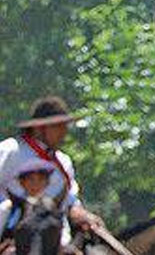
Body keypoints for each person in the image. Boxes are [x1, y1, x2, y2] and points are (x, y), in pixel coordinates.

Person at [0, 97, 102, 252]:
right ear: (39, 129)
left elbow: (70, 197)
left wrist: (77, 210)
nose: (65, 131)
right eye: (59, 126)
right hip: (13, 230)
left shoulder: (63, 161)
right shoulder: (11, 151)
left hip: (57, 235)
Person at [0, 158, 61, 255]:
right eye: (31, 180)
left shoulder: (53, 206)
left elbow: (64, 233)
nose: (35, 184)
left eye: (40, 180)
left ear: (47, 182)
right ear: (22, 182)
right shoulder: (10, 207)